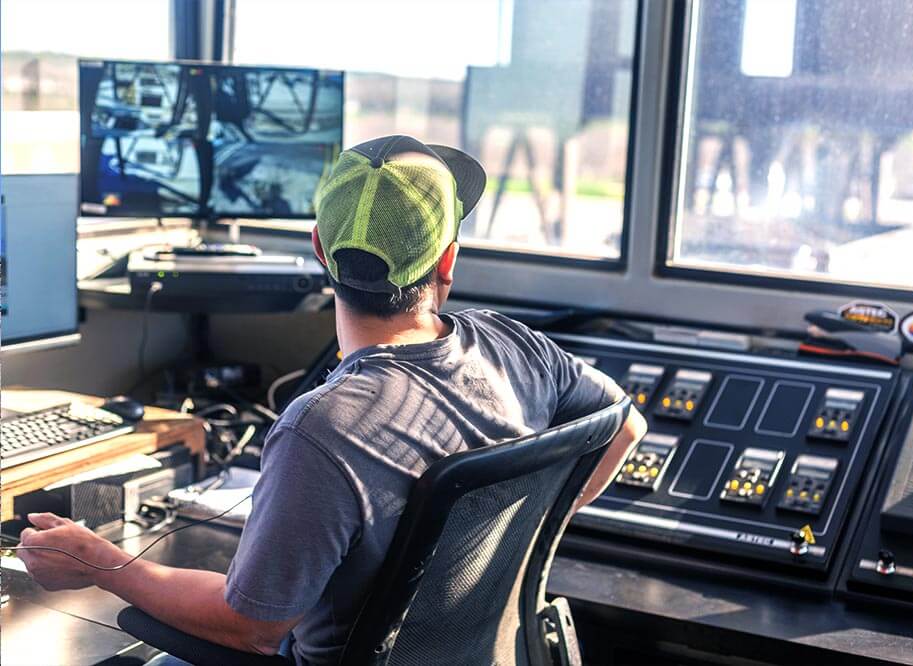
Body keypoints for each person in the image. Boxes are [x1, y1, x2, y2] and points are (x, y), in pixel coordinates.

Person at [17, 135, 647, 665]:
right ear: (447, 262)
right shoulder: (516, 346)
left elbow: (252, 629)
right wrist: (523, 530)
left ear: (320, 249)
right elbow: (625, 427)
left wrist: (104, 564)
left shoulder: (323, 428)